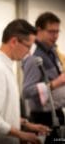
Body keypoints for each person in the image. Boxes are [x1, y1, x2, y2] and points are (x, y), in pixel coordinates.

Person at [0, 19, 50, 144]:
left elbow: (3, 112)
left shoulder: (5, 66)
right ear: (14, 41)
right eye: (28, 46)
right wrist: (21, 135)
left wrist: (26, 124)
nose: (28, 52)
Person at [22, 12, 65, 143]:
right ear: (39, 30)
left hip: (57, 113)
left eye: (58, 31)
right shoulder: (34, 57)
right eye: (51, 31)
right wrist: (56, 83)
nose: (56, 36)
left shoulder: (52, 52)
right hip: (43, 119)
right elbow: (27, 92)